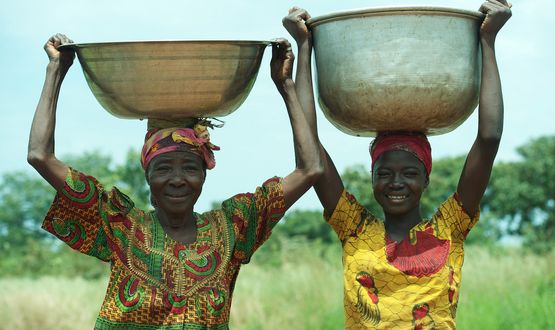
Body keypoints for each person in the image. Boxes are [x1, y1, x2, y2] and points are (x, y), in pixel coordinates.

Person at [28, 34, 322, 329]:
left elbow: (310, 169)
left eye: (190, 168)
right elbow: (40, 155)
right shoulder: (120, 226)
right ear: (148, 176)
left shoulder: (233, 228)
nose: (178, 179)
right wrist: (56, 70)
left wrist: (285, 85)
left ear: (204, 175)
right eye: (164, 168)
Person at [283, 1, 511, 328]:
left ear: (426, 179)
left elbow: (489, 138)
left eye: (410, 173)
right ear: (372, 177)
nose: (396, 183)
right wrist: (304, 48)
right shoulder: (354, 228)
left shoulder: (450, 227)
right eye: (385, 173)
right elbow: (310, 152)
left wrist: (488, 42)